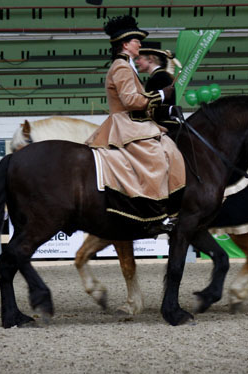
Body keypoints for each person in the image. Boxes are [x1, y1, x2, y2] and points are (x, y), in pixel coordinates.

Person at [85, 15, 185, 233]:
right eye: (136, 40)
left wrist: (166, 107)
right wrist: (161, 94)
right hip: (126, 123)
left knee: (170, 149)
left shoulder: (128, 67)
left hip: (138, 122)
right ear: (125, 44)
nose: (140, 44)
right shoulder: (121, 67)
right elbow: (130, 101)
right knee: (155, 159)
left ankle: (171, 208)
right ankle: (152, 213)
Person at [136, 41, 181, 129]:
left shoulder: (157, 78)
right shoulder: (162, 76)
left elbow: (152, 108)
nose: (137, 61)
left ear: (150, 59)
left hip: (162, 127)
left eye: (139, 58)